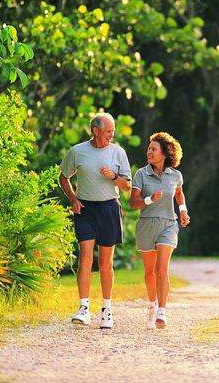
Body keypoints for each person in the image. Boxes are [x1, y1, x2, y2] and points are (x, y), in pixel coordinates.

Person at [59, 113, 132, 329]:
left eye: (113, 131)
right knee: (85, 258)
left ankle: (107, 310)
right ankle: (84, 309)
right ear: (95, 130)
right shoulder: (78, 151)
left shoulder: (118, 152)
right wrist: (73, 198)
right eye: (108, 131)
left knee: (105, 263)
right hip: (86, 208)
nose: (112, 135)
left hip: (109, 207)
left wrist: (113, 177)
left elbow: (127, 185)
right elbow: (64, 176)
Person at [129, 132, 190, 329]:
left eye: (153, 149)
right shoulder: (141, 174)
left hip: (168, 224)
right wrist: (149, 199)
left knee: (162, 270)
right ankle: (152, 305)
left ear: (164, 153)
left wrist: (182, 211)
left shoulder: (175, 176)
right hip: (146, 225)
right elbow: (132, 203)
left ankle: (162, 312)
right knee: (150, 272)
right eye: (149, 149)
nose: (149, 152)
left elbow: (179, 195)